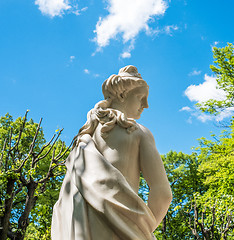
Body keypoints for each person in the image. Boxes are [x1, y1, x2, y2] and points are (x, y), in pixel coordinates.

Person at [51, 65, 172, 240]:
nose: (146, 105)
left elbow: (63, 204)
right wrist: (138, 229)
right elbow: (163, 194)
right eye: (141, 98)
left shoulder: (83, 139)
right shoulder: (139, 132)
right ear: (123, 95)